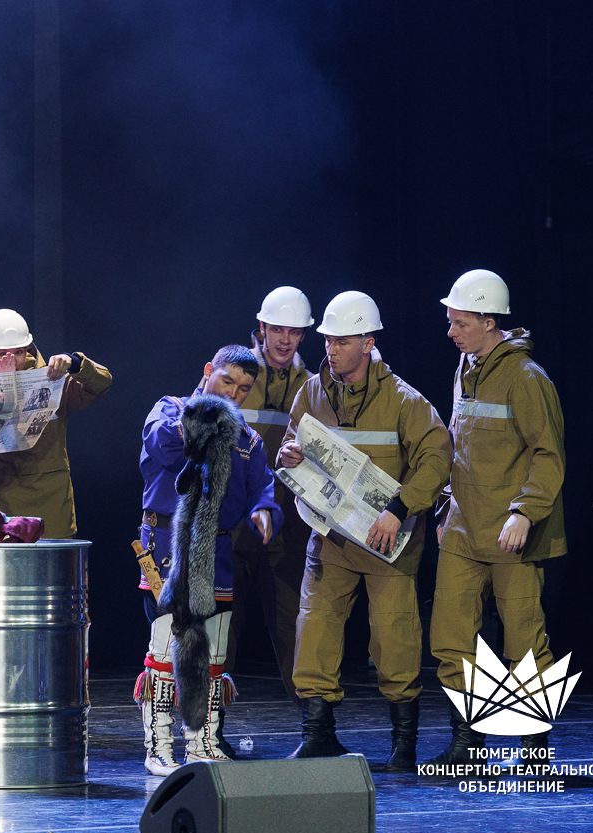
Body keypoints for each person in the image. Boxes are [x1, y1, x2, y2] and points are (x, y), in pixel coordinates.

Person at [278, 292, 451, 771]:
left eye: (342, 341)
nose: (331, 349)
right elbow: (292, 443)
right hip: (330, 539)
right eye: (328, 340)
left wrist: (400, 508)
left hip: (385, 542)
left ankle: (403, 745)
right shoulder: (311, 393)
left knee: (394, 638)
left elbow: (436, 459)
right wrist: (288, 454)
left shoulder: (404, 400)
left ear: (368, 343)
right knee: (314, 629)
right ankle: (317, 735)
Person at [426, 270, 566, 764]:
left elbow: (548, 455)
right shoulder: (466, 366)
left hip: (511, 532)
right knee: (451, 637)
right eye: (450, 321)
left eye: (460, 323)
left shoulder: (526, 377)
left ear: (489, 322)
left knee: (523, 641)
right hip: (462, 529)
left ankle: (533, 747)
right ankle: (467, 742)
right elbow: (459, 444)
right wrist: (446, 506)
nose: (451, 332)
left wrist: (525, 513)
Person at [136, 344, 282, 776]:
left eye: (244, 388)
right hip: (169, 547)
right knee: (166, 650)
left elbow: (263, 487)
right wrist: (204, 421)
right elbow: (163, 446)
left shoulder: (248, 439)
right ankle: (159, 745)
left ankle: (204, 742)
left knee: (214, 655)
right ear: (207, 372)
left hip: (216, 551)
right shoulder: (170, 410)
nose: (233, 393)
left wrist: (264, 511)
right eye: (227, 381)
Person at [227, 287, 314, 706]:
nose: (285, 340)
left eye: (294, 332)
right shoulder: (232, 374)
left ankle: (313, 723)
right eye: (277, 329)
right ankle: (208, 724)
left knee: (294, 625)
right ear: (261, 328)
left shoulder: (312, 385)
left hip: (286, 527)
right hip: (230, 523)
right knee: (222, 625)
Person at [0, 308, 111, 539]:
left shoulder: (51, 379)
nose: (13, 360)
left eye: (18, 352)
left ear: (27, 349)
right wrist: (1, 387)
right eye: (3, 353)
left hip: (52, 516)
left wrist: (75, 363)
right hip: (2, 515)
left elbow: (102, 384)